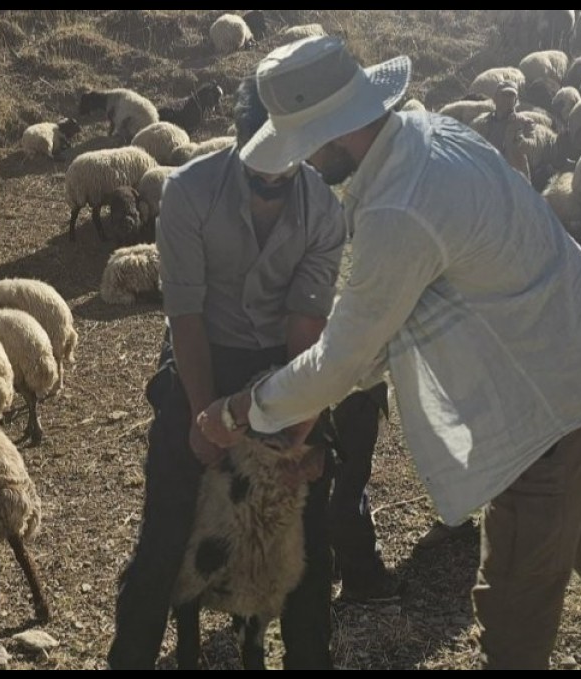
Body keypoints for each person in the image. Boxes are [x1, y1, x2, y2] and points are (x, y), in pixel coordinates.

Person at [197, 36, 581, 670]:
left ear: (332, 132)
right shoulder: (433, 133)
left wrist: (241, 410)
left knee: (515, 612)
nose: (303, 162)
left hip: (548, 411)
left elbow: (343, 356)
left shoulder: (396, 206)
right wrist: (300, 413)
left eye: (303, 143)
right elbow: (378, 334)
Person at [106, 75, 394, 671]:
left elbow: (306, 322)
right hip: (202, 351)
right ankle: (130, 657)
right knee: (164, 535)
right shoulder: (188, 192)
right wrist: (201, 414)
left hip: (281, 363)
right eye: (261, 166)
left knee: (307, 540)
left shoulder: (322, 208)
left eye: (286, 166)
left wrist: (294, 427)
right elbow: (184, 312)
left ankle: (310, 657)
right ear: (242, 144)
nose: (271, 185)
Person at [470, 80, 539, 181]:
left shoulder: (525, 123)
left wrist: (522, 141)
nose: (507, 99)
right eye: (504, 95)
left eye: (511, 96)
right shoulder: (482, 122)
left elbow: (533, 147)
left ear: (516, 100)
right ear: (495, 98)